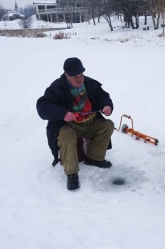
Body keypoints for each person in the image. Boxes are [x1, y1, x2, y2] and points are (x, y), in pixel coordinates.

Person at [36, 57, 114, 191]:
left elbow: (103, 96)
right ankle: (72, 173)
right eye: (75, 76)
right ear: (67, 75)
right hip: (70, 126)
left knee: (107, 125)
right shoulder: (57, 88)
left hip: (90, 123)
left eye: (81, 75)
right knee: (65, 134)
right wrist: (62, 113)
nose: (80, 79)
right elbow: (42, 107)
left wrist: (107, 106)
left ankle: (94, 158)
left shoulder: (89, 83)